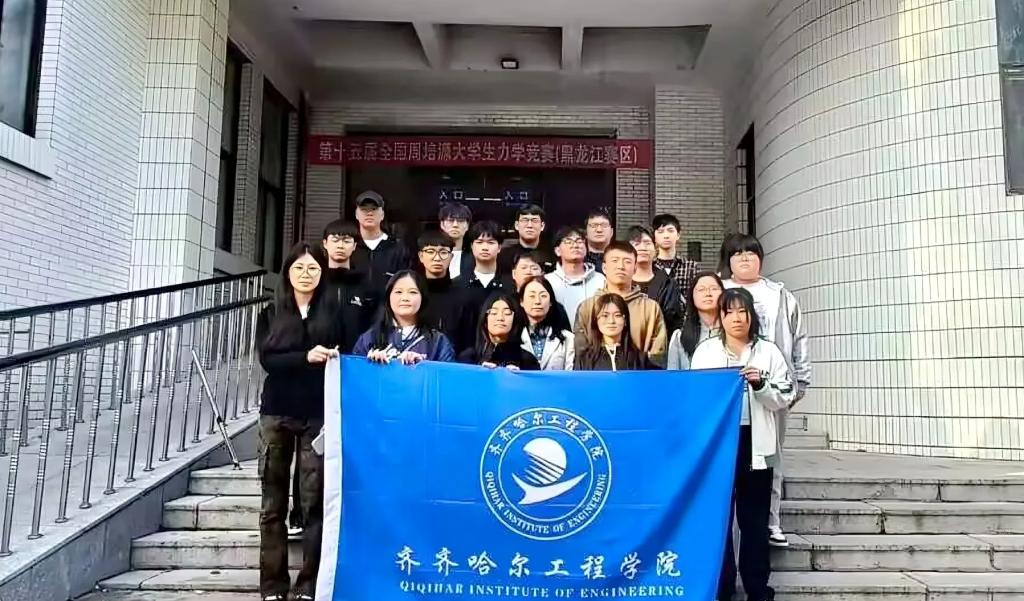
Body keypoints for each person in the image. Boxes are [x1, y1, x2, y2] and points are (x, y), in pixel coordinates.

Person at [691, 288, 795, 601]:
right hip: (719, 443)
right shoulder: (706, 352)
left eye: (742, 311)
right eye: (729, 312)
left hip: (757, 443)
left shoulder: (769, 352)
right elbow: (696, 398)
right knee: (718, 518)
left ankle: (757, 588)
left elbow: (785, 395)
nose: (736, 318)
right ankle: (721, 586)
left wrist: (760, 385)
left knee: (754, 521)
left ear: (751, 315)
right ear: (720, 318)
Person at [255, 243, 341, 601]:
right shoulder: (271, 312)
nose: (306, 275)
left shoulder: (333, 312)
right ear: (287, 272)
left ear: (322, 274)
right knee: (272, 503)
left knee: (313, 501)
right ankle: (273, 584)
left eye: (313, 269)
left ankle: (309, 584)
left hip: (317, 414)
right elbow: (268, 361)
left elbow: (345, 355)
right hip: (276, 412)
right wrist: (305, 357)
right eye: (299, 268)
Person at [720, 233, 810, 548]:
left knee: (771, 457)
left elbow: (798, 337)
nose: (745, 258)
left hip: (771, 387)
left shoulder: (780, 295)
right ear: (728, 261)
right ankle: (726, 524)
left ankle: (771, 521)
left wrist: (800, 382)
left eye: (751, 252)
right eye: (737, 253)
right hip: (727, 392)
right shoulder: (719, 290)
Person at [574, 242, 667, 366]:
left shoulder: (650, 308)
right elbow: (580, 351)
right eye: (615, 261)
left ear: (635, 268)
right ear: (604, 267)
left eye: (627, 262)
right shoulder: (588, 307)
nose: (621, 266)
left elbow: (658, 353)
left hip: (640, 375)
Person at [353, 270, 456, 364]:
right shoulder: (369, 339)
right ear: (388, 297)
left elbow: (447, 375)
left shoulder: (438, 342)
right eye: (398, 292)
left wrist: (422, 366)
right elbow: (355, 373)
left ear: (422, 298)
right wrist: (371, 365)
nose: (405, 298)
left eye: (412, 292)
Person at [452, 221, 513, 352]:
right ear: (472, 246)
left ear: (499, 247)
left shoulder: (511, 285)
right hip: (465, 355)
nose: (485, 247)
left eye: (491, 242)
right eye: (479, 242)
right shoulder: (457, 284)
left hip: (503, 354)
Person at [320, 219, 372, 354]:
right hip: (320, 356)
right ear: (325, 243)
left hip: (357, 357)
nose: (340, 246)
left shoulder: (365, 283)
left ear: (354, 246)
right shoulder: (316, 281)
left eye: (346, 241)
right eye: (335, 240)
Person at [350, 190, 410, 299]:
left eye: (374, 209)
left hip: (387, 307)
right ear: (356, 214)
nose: (369, 213)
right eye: (364, 209)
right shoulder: (349, 247)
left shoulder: (397, 248)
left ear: (382, 214)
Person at [457, 291, 540, 370]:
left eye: (507, 313)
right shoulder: (468, 358)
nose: (500, 318)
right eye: (494, 313)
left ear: (515, 320)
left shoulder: (528, 360)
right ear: (485, 320)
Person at [575, 293, 658, 371]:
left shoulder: (640, 359)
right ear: (596, 320)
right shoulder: (584, 359)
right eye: (605, 315)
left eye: (617, 315)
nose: (611, 321)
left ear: (625, 320)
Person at [546, 226, 606, 325]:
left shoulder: (600, 280)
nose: (575, 245)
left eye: (579, 241)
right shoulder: (548, 281)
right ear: (557, 251)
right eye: (568, 241)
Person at [628, 225, 682, 333]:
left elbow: (673, 321)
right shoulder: (619, 280)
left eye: (647, 243)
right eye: (636, 244)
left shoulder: (668, 283)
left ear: (655, 248)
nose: (643, 248)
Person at [415, 230, 465, 344]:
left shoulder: (461, 296)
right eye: (430, 252)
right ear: (421, 256)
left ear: (451, 257)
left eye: (443, 252)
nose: (437, 258)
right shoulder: (413, 293)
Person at [667, 271, 724, 370]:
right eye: (701, 289)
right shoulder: (679, 337)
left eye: (714, 289)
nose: (708, 294)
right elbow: (673, 374)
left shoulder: (733, 333)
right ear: (692, 297)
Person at [518, 276, 574, 370]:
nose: (537, 301)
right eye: (532, 296)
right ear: (521, 301)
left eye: (543, 296)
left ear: (551, 301)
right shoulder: (512, 337)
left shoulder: (568, 339)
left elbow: (570, 374)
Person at [653, 214, 700, 309]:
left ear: (678, 235)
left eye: (670, 231)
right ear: (654, 237)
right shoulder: (650, 266)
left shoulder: (690, 266)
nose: (666, 236)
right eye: (660, 232)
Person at [497, 205, 556, 274]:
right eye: (525, 220)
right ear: (516, 225)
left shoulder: (553, 255)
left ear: (542, 226)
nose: (529, 225)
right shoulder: (503, 256)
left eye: (535, 221)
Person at [439, 202, 474, 279]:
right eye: (450, 220)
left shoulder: (474, 258)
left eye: (460, 221)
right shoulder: (432, 256)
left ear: (467, 226)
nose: (455, 225)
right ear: (442, 224)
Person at [584, 208, 614, 273]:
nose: (599, 230)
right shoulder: (578, 260)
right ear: (585, 232)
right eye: (593, 226)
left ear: (611, 232)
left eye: (604, 225)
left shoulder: (619, 258)